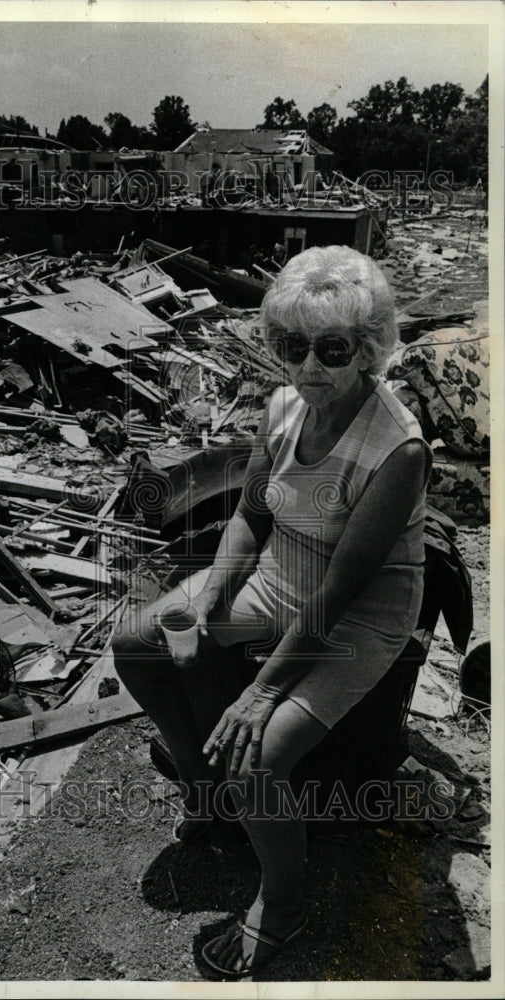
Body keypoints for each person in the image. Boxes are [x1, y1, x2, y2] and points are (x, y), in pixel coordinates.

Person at [112, 245, 431, 978]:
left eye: (332, 348)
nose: (309, 365)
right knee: (137, 642)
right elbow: (251, 519)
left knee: (260, 756)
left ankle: (284, 902)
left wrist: (261, 694)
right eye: (293, 346)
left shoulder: (396, 449)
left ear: (369, 350)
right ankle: (204, 789)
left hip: (356, 611)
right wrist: (208, 602)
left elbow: (343, 589)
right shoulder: (285, 407)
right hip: (283, 573)